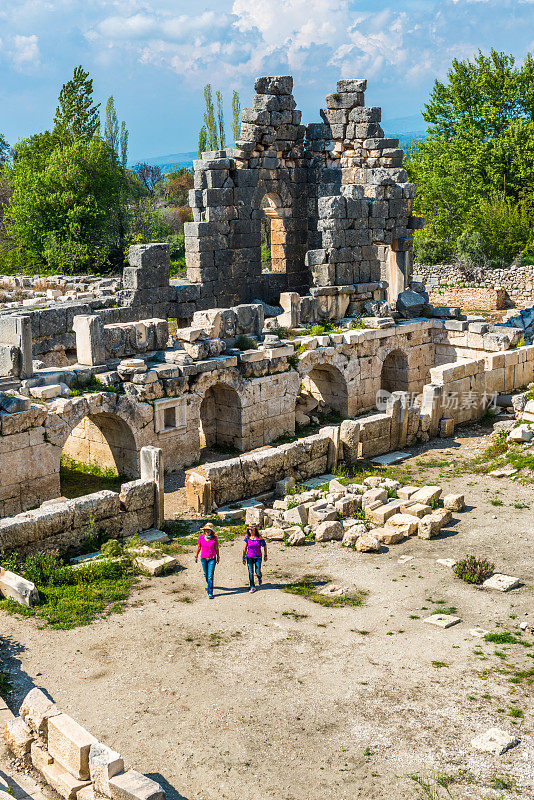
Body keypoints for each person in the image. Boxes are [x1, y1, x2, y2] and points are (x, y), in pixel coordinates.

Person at [194, 523, 219, 599]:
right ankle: (209, 585)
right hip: (203, 559)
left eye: (209, 530)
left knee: (210, 576)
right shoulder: (201, 537)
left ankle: (210, 592)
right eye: (206, 530)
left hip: (212, 559)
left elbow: (216, 548)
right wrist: (196, 556)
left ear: (211, 531)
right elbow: (199, 547)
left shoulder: (214, 538)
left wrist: (218, 557)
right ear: (204, 531)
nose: (207, 531)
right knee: (206, 574)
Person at [242, 524, 267, 593]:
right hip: (249, 557)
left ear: (255, 530)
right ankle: (252, 586)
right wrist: (243, 557)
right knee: (251, 572)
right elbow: (244, 548)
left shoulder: (259, 538)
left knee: (258, 571)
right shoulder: (247, 538)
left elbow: (264, 546)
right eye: (249, 529)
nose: (251, 531)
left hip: (258, 557)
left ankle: (259, 577)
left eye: (252, 529)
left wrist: (265, 555)